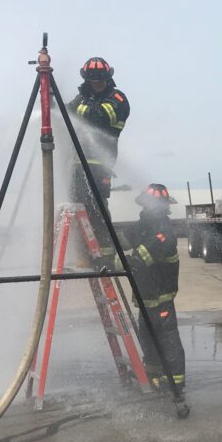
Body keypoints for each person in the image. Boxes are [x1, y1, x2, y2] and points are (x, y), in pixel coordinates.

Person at [69, 57, 130, 266]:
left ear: (108, 79)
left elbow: (98, 118)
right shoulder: (83, 98)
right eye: (92, 82)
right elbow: (66, 113)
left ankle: (105, 258)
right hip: (77, 165)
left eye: (100, 81)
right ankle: (83, 254)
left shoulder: (117, 99)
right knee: (76, 211)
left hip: (98, 167)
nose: (97, 85)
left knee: (97, 214)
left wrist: (83, 102)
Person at [125, 184, 185, 393]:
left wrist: (111, 262)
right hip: (147, 295)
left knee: (167, 338)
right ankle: (153, 374)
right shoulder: (145, 224)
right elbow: (127, 237)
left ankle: (176, 381)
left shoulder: (163, 232)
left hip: (161, 297)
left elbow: (140, 259)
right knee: (148, 336)